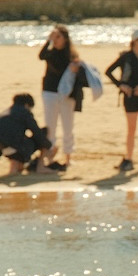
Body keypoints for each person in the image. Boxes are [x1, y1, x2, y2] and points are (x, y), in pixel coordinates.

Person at [105, 28, 138, 173]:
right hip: (130, 98)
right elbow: (109, 71)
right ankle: (129, 158)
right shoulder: (126, 57)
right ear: (136, 42)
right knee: (131, 130)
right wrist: (121, 86)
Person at [0, 93, 53, 174]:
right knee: (43, 133)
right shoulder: (24, 112)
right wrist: (49, 147)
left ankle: (15, 169)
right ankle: (40, 167)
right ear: (27, 105)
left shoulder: (4, 113)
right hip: (8, 144)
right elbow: (38, 133)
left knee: (16, 143)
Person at [39, 24, 79, 170]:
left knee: (68, 126)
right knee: (50, 126)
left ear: (65, 38)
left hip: (66, 95)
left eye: (58, 37)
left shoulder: (71, 56)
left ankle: (68, 157)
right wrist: (48, 41)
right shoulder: (50, 53)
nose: (55, 40)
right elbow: (41, 55)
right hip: (49, 92)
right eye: (54, 36)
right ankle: (50, 156)